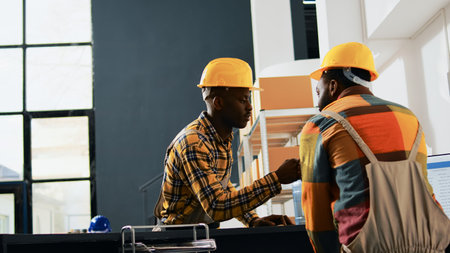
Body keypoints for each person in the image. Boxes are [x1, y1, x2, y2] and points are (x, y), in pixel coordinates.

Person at [298, 42, 450, 252]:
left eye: (319, 91)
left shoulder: (320, 124)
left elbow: (316, 214)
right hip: (429, 243)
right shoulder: (408, 117)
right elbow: (424, 188)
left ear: (333, 86)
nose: (318, 102)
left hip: (366, 246)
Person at [154, 57, 301, 228]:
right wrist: (276, 179)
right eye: (242, 100)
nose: (250, 107)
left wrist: (253, 220)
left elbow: (222, 187)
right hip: (177, 241)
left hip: (200, 235)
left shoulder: (220, 139)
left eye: (249, 99)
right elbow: (217, 206)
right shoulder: (194, 143)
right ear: (219, 103)